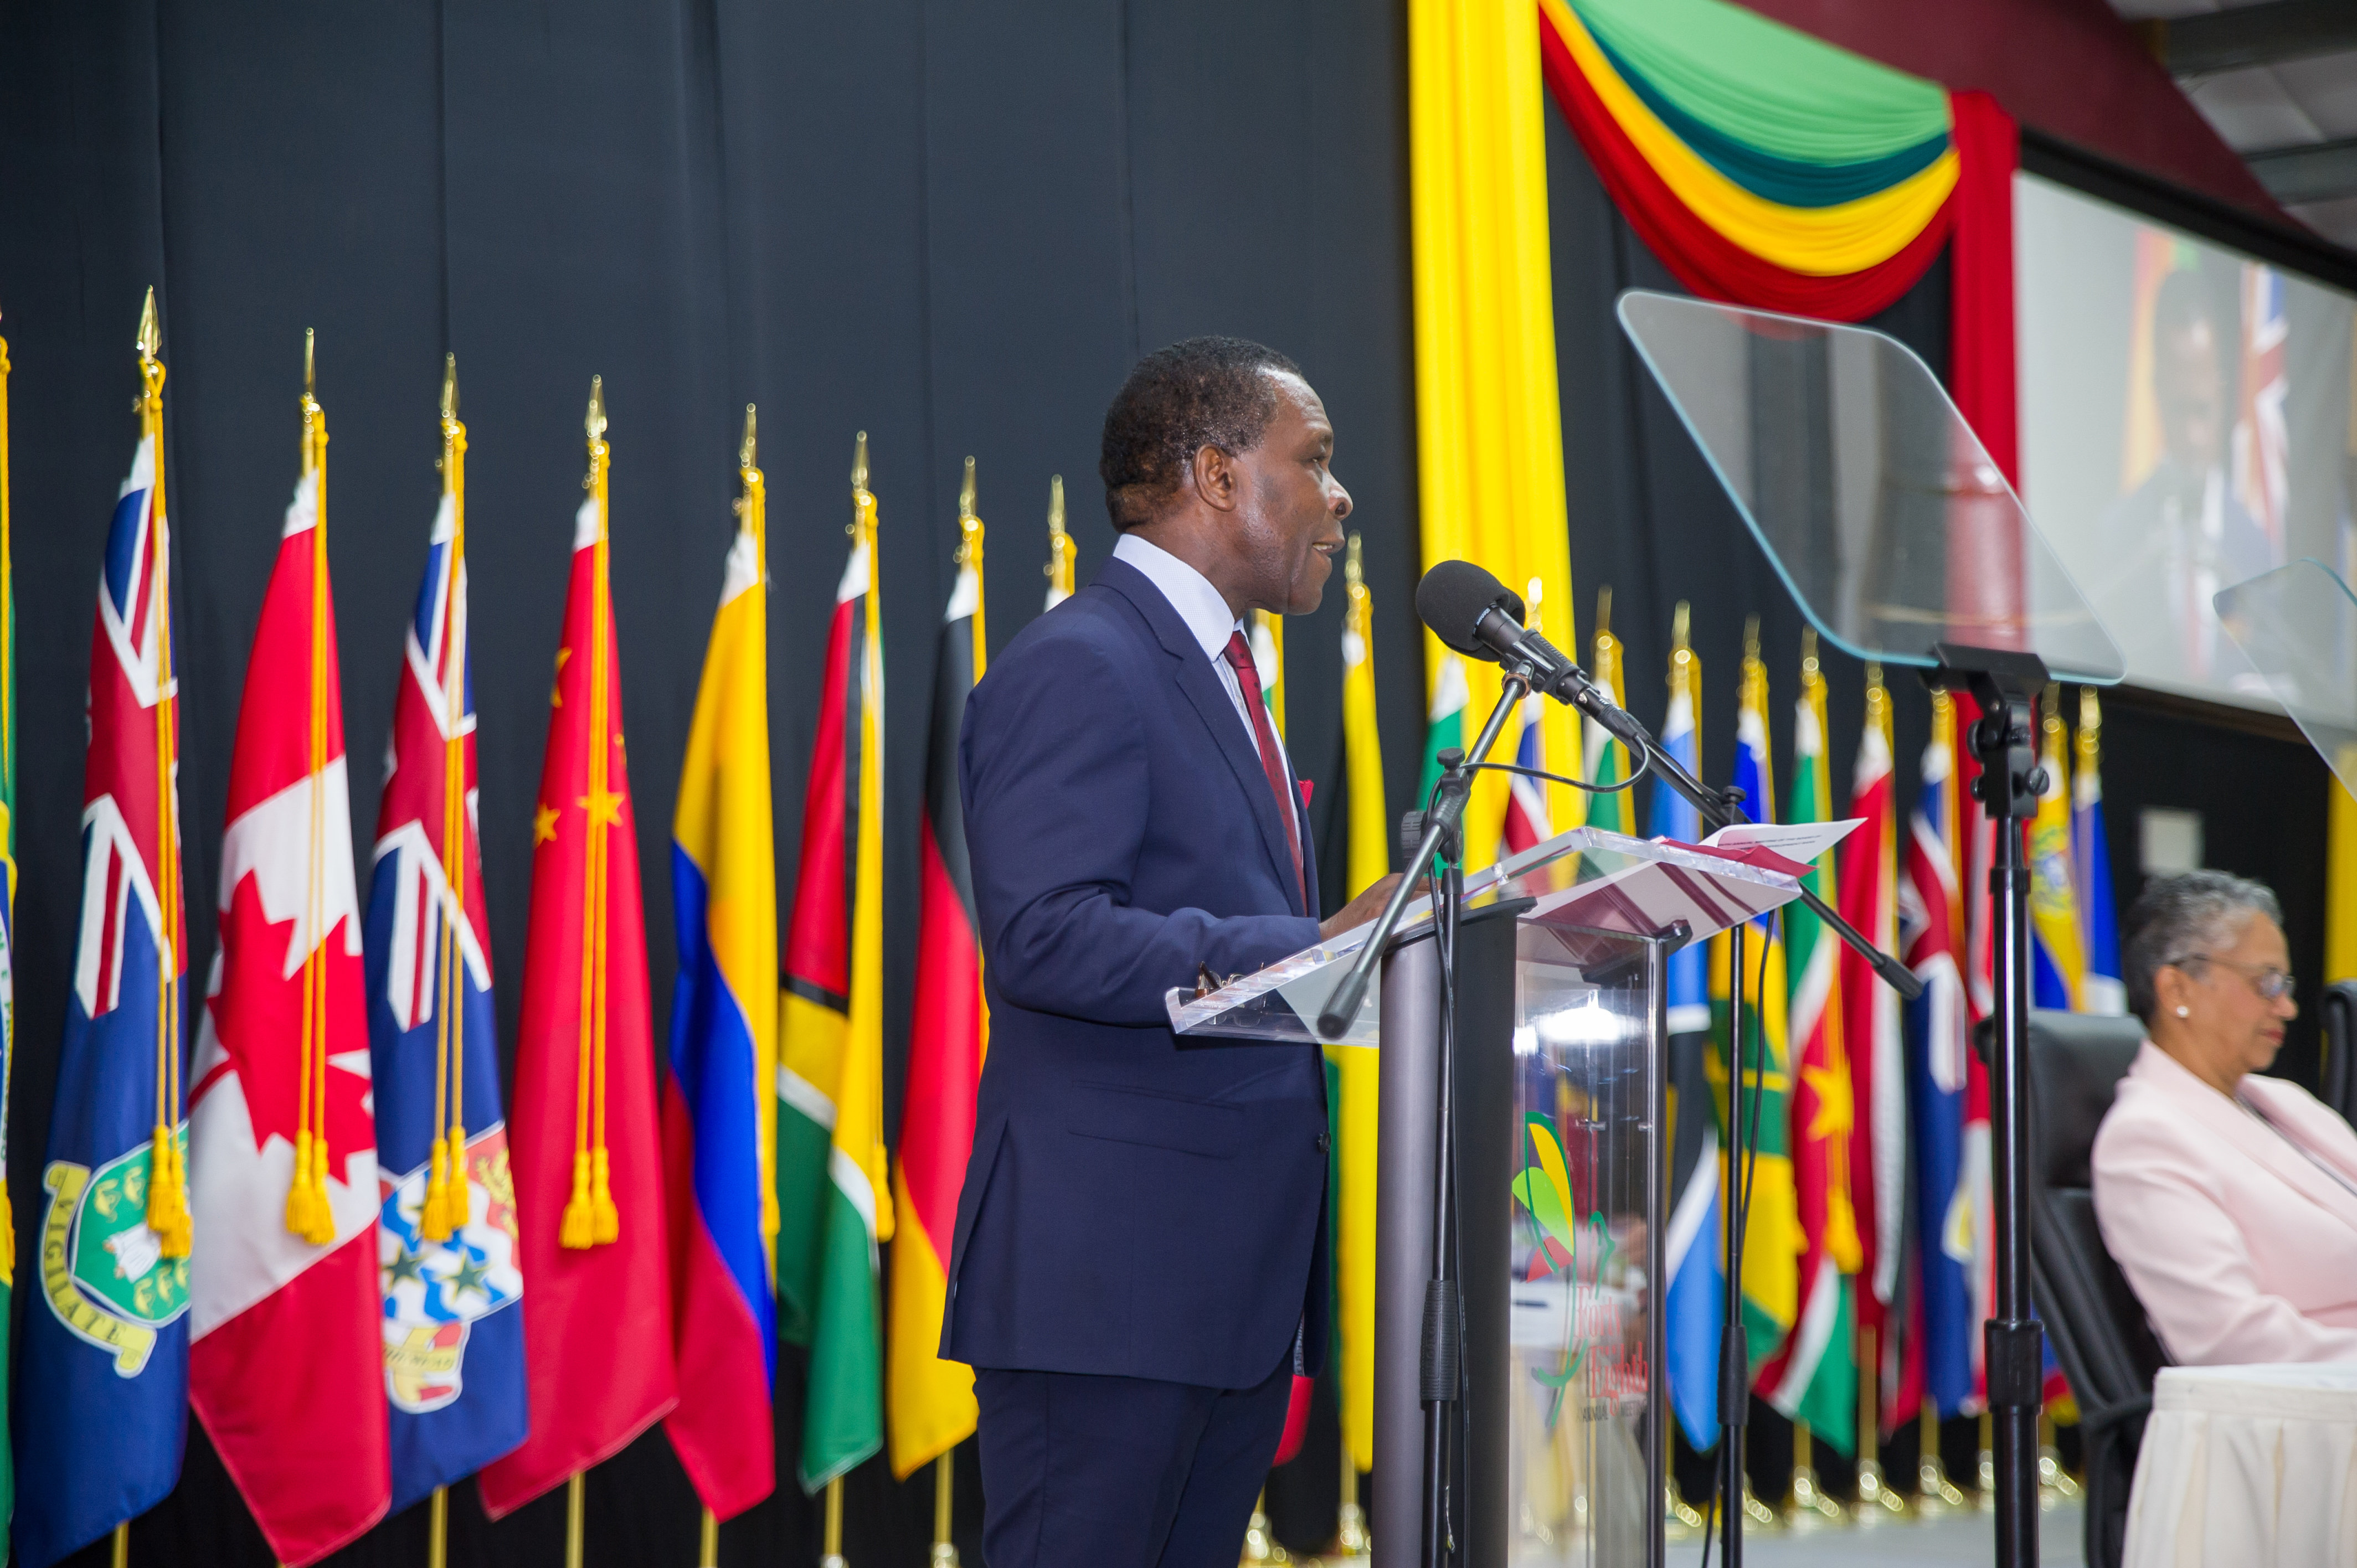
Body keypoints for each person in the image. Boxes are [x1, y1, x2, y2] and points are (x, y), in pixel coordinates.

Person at [944, 337, 1403, 1565]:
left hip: (1218, 1294)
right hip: (1109, 1296)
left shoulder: (1225, 675)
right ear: (1213, 474)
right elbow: (1041, 935)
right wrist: (1306, 942)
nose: (1340, 494)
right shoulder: (1080, 662)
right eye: (1312, 460)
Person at [2092, 870, 2357, 1364]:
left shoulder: (2286, 1103)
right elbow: (2231, 1340)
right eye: (2266, 983)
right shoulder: (2145, 1139)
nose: (2289, 1007)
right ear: (2177, 990)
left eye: (2286, 984)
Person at [2088, 269, 2277, 690]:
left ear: (2225, 396)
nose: (2192, 436)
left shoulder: (2257, 548)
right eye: (2179, 411)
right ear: (2156, 394)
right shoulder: (2118, 535)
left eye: (2203, 410)